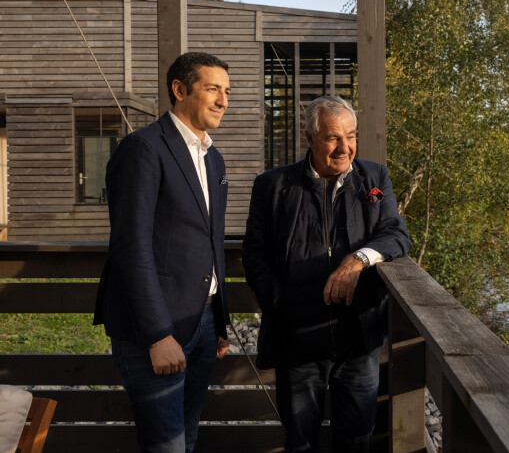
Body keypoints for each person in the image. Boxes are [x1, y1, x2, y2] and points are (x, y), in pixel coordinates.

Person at [242, 95, 411, 452]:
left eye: (351, 135)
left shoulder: (374, 177)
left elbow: (396, 233)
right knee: (300, 441)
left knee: (357, 438)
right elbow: (254, 253)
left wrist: (357, 259)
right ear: (310, 138)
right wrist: (277, 301)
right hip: (298, 341)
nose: (345, 147)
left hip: (358, 341)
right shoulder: (273, 186)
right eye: (333, 137)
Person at [94, 52, 232, 452]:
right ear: (179, 89)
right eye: (213, 89)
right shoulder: (142, 149)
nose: (223, 99)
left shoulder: (213, 157)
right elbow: (129, 247)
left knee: (185, 443)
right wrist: (157, 335)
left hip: (202, 324)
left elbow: (210, 243)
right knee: (166, 447)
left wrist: (218, 320)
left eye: (227, 91)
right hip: (155, 331)